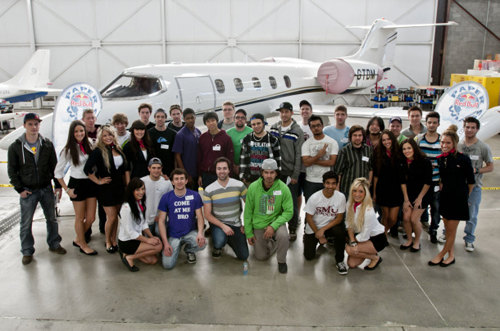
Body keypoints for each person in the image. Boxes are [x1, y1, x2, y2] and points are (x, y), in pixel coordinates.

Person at [8, 113, 65, 265]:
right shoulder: (15, 147)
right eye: (31, 124)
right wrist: (19, 189)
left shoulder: (46, 144)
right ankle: (27, 251)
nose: (34, 127)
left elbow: (54, 167)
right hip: (28, 191)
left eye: (36, 124)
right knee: (26, 223)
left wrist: (58, 186)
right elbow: (12, 171)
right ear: (24, 125)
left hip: (46, 189)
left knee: (51, 219)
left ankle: (54, 244)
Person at [429, 125, 475, 267]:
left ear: (454, 143)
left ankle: (442, 254)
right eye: (442, 142)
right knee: (449, 230)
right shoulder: (441, 159)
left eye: (448, 143)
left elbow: (471, 182)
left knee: (451, 229)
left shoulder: (463, 159)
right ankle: (451, 256)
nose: (444, 145)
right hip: (446, 197)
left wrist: (465, 197)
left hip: (458, 198)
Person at [55, 120, 97, 255]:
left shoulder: (90, 143)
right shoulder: (68, 149)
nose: (80, 133)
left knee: (91, 218)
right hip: (77, 183)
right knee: (79, 217)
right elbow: (57, 172)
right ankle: (83, 244)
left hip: (90, 183)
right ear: (72, 133)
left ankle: (78, 238)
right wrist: (67, 189)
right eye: (76, 131)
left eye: (81, 131)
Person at [244, 159, 293, 273]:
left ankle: (281, 261)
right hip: (259, 223)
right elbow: (248, 212)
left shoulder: (283, 188)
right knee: (261, 256)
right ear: (262, 173)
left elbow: (289, 212)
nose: (269, 176)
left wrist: (273, 226)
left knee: (284, 236)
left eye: (272, 172)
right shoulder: (253, 187)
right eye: (266, 172)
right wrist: (249, 232)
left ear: (276, 173)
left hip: (276, 222)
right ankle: (274, 244)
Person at [84, 125, 127, 253]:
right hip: (106, 189)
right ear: (100, 138)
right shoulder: (98, 151)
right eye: (105, 136)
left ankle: (114, 240)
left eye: (110, 135)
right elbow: (87, 169)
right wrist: (98, 181)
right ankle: (108, 241)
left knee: (116, 217)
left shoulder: (118, 149)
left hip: (119, 188)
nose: (108, 138)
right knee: (112, 217)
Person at [157, 168, 207, 269]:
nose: (179, 181)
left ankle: (189, 250)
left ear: (186, 180)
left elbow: (200, 217)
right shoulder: (166, 197)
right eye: (176, 179)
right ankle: (174, 247)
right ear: (172, 182)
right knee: (167, 265)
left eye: (182, 178)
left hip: (189, 232)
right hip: (174, 235)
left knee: (202, 244)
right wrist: (165, 243)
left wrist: (200, 233)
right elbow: (161, 221)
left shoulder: (195, 195)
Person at [457, 117, 493, 252]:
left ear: (477, 129)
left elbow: (490, 167)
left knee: (471, 215)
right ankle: (446, 233)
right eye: (467, 127)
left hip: (475, 187)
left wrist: (476, 170)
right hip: (458, 186)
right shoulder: (458, 145)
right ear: (463, 128)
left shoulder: (483, 147)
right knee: (452, 211)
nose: (470, 130)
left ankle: (469, 239)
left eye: (473, 127)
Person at [270, 101, 304, 241]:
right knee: (275, 201)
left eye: (286, 112)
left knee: (291, 203)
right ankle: (275, 226)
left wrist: (295, 174)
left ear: (291, 113)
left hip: (290, 173)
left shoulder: (297, 131)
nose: (283, 114)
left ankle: (292, 228)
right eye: (281, 112)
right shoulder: (273, 128)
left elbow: (299, 155)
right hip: (276, 173)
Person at [203, 157, 249, 260]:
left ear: (229, 170)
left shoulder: (239, 185)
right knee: (219, 241)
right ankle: (219, 244)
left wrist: (246, 224)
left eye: (224, 168)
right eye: (219, 168)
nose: (222, 171)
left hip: (235, 223)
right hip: (218, 224)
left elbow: (250, 206)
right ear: (215, 170)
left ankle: (230, 239)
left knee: (244, 256)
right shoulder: (209, 189)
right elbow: (207, 214)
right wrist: (223, 226)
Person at [303, 171, 348, 275]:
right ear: (323, 184)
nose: (330, 186)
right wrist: (318, 234)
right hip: (314, 227)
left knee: (340, 231)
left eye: (333, 183)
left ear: (337, 184)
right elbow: (309, 218)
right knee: (308, 257)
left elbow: (339, 218)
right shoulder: (314, 198)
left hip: (329, 227)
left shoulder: (341, 197)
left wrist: (323, 230)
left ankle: (340, 261)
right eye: (328, 183)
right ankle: (312, 239)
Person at [118, 178, 162, 272]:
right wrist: (147, 240)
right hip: (127, 242)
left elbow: (143, 223)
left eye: (142, 189)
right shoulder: (126, 208)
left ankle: (127, 255)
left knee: (153, 260)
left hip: (136, 239)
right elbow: (130, 232)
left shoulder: (139, 203)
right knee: (158, 246)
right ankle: (129, 258)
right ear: (131, 191)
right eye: (137, 190)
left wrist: (151, 236)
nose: (141, 192)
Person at [345, 178, 387, 270]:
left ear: (365, 193)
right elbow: (349, 224)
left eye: (361, 191)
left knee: (348, 249)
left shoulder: (369, 211)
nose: (357, 194)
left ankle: (375, 258)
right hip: (362, 237)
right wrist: (352, 242)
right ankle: (368, 251)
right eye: (355, 191)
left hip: (376, 239)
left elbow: (364, 236)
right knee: (351, 264)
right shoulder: (349, 204)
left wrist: (353, 244)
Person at [399, 138, 432, 252]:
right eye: (404, 149)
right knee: (406, 218)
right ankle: (409, 240)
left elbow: (428, 182)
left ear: (414, 148)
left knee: (414, 219)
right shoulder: (403, 162)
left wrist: (419, 198)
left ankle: (417, 241)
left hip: (422, 194)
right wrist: (406, 200)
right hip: (409, 194)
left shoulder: (425, 161)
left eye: (409, 148)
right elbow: (402, 182)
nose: (406, 151)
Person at [415, 111, 441, 243]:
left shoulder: (442, 140)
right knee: (420, 207)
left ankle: (434, 229)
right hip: (422, 182)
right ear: (426, 123)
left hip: (436, 181)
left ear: (438, 124)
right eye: (429, 122)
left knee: (436, 208)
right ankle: (419, 227)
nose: (431, 125)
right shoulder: (420, 138)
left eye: (434, 122)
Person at [373, 130, 403, 239]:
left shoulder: (399, 152)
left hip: (396, 189)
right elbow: (376, 175)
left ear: (392, 139)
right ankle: (384, 235)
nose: (386, 142)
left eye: (388, 139)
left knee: (393, 218)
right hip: (383, 188)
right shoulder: (378, 153)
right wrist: (375, 192)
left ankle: (383, 231)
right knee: (385, 216)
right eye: (384, 140)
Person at [301, 114, 338, 202]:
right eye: (313, 126)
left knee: (326, 209)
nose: (316, 128)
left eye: (318, 125)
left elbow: (332, 162)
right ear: (310, 128)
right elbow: (306, 163)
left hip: (327, 182)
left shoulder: (332, 142)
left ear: (322, 126)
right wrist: (319, 155)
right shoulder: (307, 144)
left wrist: (312, 160)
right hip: (310, 181)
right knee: (310, 209)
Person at [239, 113, 281, 185]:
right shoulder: (247, 139)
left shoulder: (273, 139)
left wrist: (277, 177)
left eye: (258, 123)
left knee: (267, 197)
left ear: (263, 123)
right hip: (250, 179)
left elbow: (278, 160)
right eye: (253, 124)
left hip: (268, 180)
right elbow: (242, 159)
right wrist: (242, 176)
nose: (256, 126)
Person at [198, 111, 234, 189]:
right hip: (206, 175)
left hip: (221, 175)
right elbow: (200, 157)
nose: (211, 123)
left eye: (213, 120)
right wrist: (200, 175)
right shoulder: (202, 138)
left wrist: (229, 176)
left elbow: (229, 158)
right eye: (208, 121)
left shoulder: (226, 138)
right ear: (205, 123)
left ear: (217, 121)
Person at [334, 125, 373, 197]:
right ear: (350, 136)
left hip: (363, 191)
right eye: (355, 135)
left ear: (363, 136)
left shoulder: (368, 150)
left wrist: (368, 184)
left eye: (360, 135)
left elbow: (370, 169)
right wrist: (337, 191)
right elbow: (338, 173)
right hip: (347, 191)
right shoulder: (344, 151)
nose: (357, 138)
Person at [140, 158, 173, 236]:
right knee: (148, 238)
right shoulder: (142, 181)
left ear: (161, 169)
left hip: (161, 217)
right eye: (153, 168)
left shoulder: (167, 182)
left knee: (160, 234)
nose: (156, 170)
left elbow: (171, 200)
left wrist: (162, 214)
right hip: (146, 218)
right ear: (149, 168)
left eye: (158, 168)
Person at [172, 108, 201, 190]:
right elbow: (177, 156)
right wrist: (185, 174)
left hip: (198, 172)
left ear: (195, 118)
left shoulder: (198, 132)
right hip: (189, 173)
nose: (190, 120)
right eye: (187, 118)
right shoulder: (180, 135)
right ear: (184, 119)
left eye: (192, 118)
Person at [148, 108, 177, 178]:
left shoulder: (173, 134)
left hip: (170, 169)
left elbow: (176, 154)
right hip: (155, 171)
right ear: (154, 118)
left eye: (162, 117)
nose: (160, 119)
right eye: (158, 117)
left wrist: (175, 170)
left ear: (166, 118)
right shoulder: (149, 133)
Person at [226, 109, 253, 177]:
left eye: (242, 117)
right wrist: (234, 165)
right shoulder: (227, 133)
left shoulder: (251, 132)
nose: (240, 119)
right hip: (233, 168)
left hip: (248, 168)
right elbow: (225, 151)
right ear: (233, 119)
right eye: (237, 117)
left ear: (246, 120)